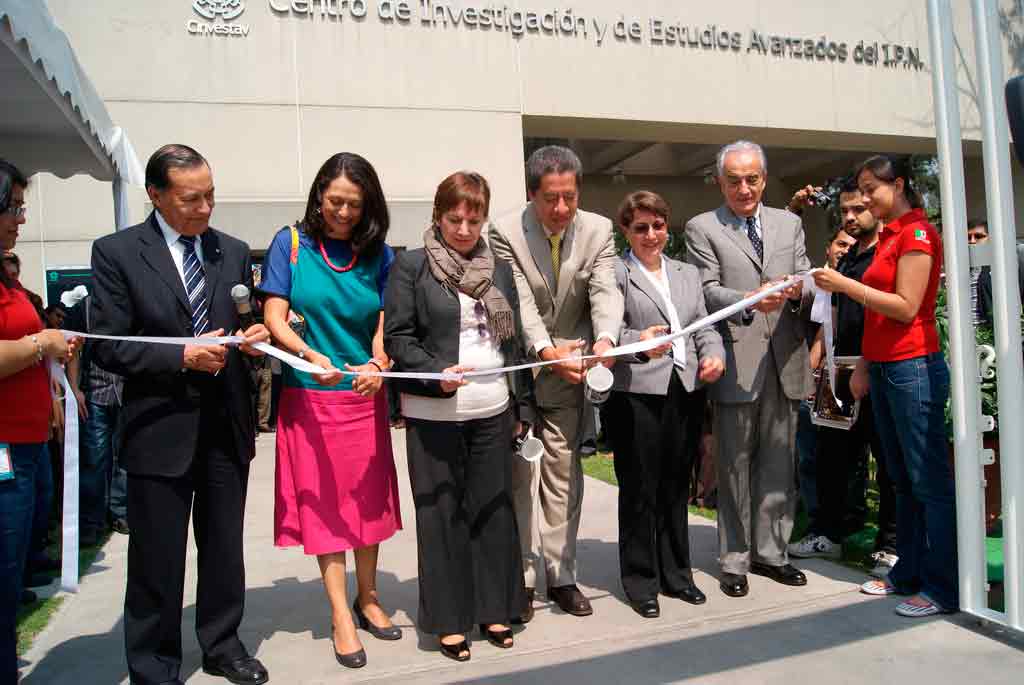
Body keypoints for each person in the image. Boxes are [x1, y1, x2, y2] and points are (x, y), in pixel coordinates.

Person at [89, 144, 271, 684]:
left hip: (223, 425)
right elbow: (107, 344)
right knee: (156, 561)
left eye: (211, 195)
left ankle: (222, 644)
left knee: (223, 550)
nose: (205, 208)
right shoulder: (118, 253)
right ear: (156, 195)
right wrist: (179, 353)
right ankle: (153, 664)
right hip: (159, 428)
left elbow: (245, 318)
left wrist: (254, 338)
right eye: (191, 198)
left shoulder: (231, 251)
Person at [260, 152, 403, 670]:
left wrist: (380, 360)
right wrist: (305, 353)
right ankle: (342, 613)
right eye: (335, 200)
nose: (342, 212)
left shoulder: (379, 254)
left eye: (354, 204)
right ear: (319, 194)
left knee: (367, 505)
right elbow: (273, 313)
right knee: (325, 509)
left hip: (364, 396)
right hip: (310, 396)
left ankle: (369, 597)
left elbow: (386, 317)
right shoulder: (291, 244)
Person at [385, 171, 535, 662]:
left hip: (493, 407)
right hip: (434, 413)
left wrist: (522, 406)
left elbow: (514, 344)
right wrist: (433, 375)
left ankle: (495, 609)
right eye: (455, 218)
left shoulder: (501, 267)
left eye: (475, 219)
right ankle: (448, 621)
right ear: (438, 215)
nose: (465, 229)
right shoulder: (410, 266)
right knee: (441, 516)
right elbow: (399, 338)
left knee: (493, 512)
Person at [813, 154, 955, 617]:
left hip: (914, 366)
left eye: (872, 188)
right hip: (890, 368)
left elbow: (905, 306)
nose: (865, 198)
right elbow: (878, 317)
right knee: (902, 481)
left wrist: (842, 285)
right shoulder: (892, 233)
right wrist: (865, 367)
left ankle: (944, 587)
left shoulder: (916, 234)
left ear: (899, 185)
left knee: (928, 481)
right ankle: (908, 573)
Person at [489, 145, 624, 621]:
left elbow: (606, 288)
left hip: (576, 370)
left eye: (570, 196)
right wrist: (548, 354)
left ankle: (561, 575)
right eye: (551, 199)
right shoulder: (504, 232)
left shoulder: (600, 230)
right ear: (532, 194)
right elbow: (518, 301)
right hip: (524, 374)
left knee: (565, 476)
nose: (562, 208)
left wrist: (605, 340)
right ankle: (523, 579)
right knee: (522, 476)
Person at [684, 140, 812, 599]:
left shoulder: (790, 223)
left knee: (779, 461)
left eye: (752, 178)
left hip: (786, 357)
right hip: (736, 358)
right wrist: (751, 298)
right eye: (734, 180)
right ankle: (734, 559)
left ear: (763, 178)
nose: (744, 188)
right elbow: (706, 291)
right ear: (720, 182)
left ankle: (771, 553)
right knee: (734, 463)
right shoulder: (703, 228)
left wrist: (795, 292)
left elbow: (806, 279)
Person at [604, 191, 725, 618]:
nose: (651, 235)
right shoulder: (615, 273)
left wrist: (715, 354)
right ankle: (641, 582)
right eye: (641, 227)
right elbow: (606, 331)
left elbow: (703, 327)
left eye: (658, 226)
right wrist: (640, 342)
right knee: (640, 488)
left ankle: (677, 575)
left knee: (676, 486)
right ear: (626, 230)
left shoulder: (687, 273)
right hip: (637, 392)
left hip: (685, 389)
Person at [789, 179, 899, 577]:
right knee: (831, 459)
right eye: (845, 211)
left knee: (887, 462)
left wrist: (867, 366)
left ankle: (890, 546)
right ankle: (827, 534)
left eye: (858, 209)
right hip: (840, 371)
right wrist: (823, 365)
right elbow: (833, 314)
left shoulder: (890, 253)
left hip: (878, 370)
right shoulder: (848, 258)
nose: (851, 217)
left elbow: (886, 316)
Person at [0, 159, 75, 683]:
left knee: (10, 581)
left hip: (23, 446)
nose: (21, 219)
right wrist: (39, 344)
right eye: (14, 207)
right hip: (4, 453)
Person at [64, 293, 130, 540]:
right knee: (94, 460)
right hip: (94, 395)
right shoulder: (85, 308)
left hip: (127, 393)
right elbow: (73, 349)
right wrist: (75, 388)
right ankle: (92, 522)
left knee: (123, 459)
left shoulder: (128, 301)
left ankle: (120, 513)